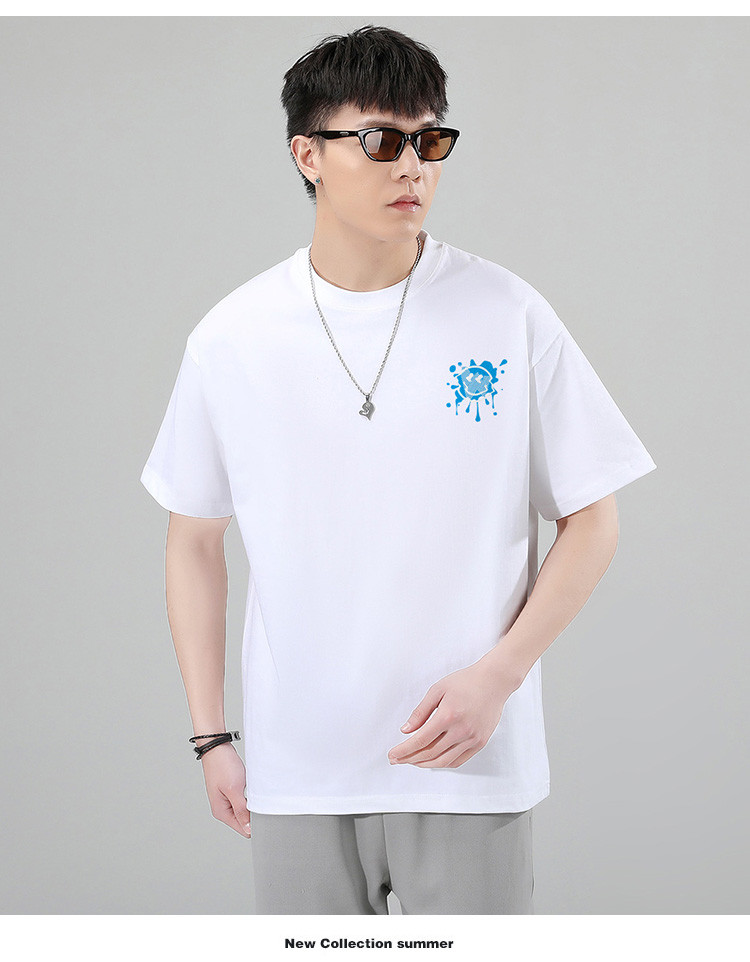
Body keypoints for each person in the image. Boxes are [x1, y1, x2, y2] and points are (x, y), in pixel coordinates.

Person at [139, 24, 656, 915]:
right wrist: (210, 737)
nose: (412, 166)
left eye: (431, 140)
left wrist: (499, 676)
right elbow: (192, 540)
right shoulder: (233, 338)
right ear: (308, 154)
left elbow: (593, 518)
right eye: (381, 141)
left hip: (469, 758)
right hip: (299, 765)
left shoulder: (506, 312)